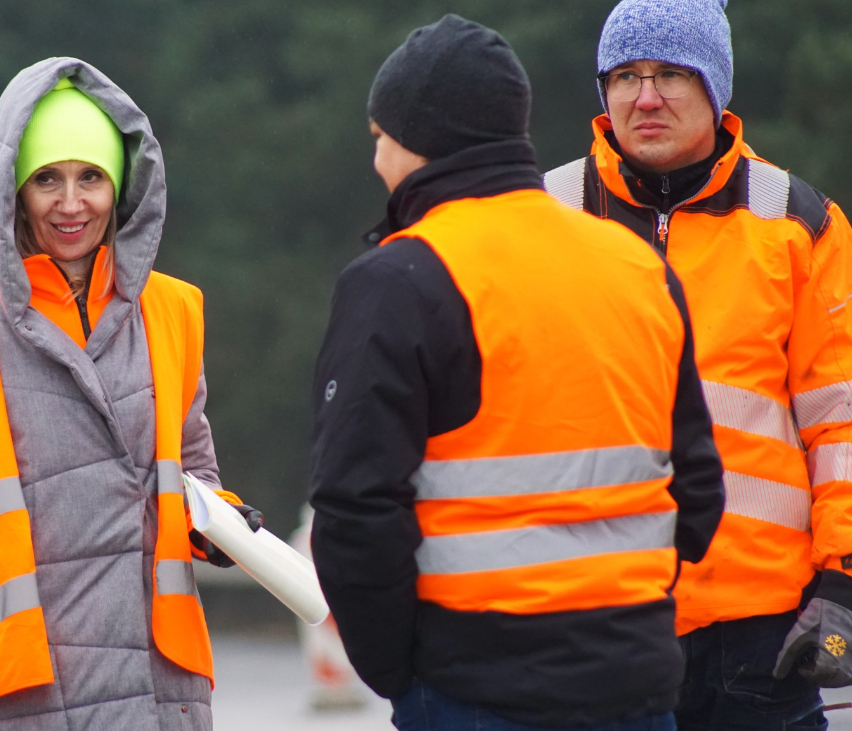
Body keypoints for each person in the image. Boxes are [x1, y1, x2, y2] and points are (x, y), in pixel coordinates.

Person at [309, 15, 726, 731]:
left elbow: (353, 511)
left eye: (380, 139)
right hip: (636, 682)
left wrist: (398, 671)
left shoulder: (401, 278)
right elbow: (699, 489)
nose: (376, 160)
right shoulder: (637, 266)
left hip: (472, 687)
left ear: (419, 141)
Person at [0, 57, 260, 731]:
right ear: (11, 189)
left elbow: (191, 473)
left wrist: (221, 523)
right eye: (47, 178)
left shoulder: (173, 311)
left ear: (122, 185)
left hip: (161, 695)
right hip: (14, 700)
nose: (71, 204)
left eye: (91, 178)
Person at [543, 1, 852, 727]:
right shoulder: (544, 215)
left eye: (672, 74)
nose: (644, 97)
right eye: (624, 76)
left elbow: (841, 423)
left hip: (762, 631)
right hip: (586, 617)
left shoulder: (799, 226)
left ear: (717, 90)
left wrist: (842, 584)